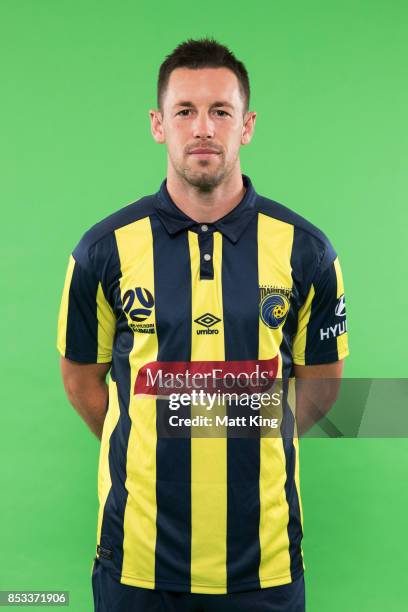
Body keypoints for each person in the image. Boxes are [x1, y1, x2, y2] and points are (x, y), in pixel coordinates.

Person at [57, 37, 349, 612]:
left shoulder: (305, 252)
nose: (203, 129)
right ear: (158, 125)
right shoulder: (103, 251)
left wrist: (246, 437)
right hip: (138, 564)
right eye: (185, 111)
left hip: (264, 564)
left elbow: (322, 386)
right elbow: (82, 383)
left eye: (221, 111)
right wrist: (149, 438)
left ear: (247, 126)